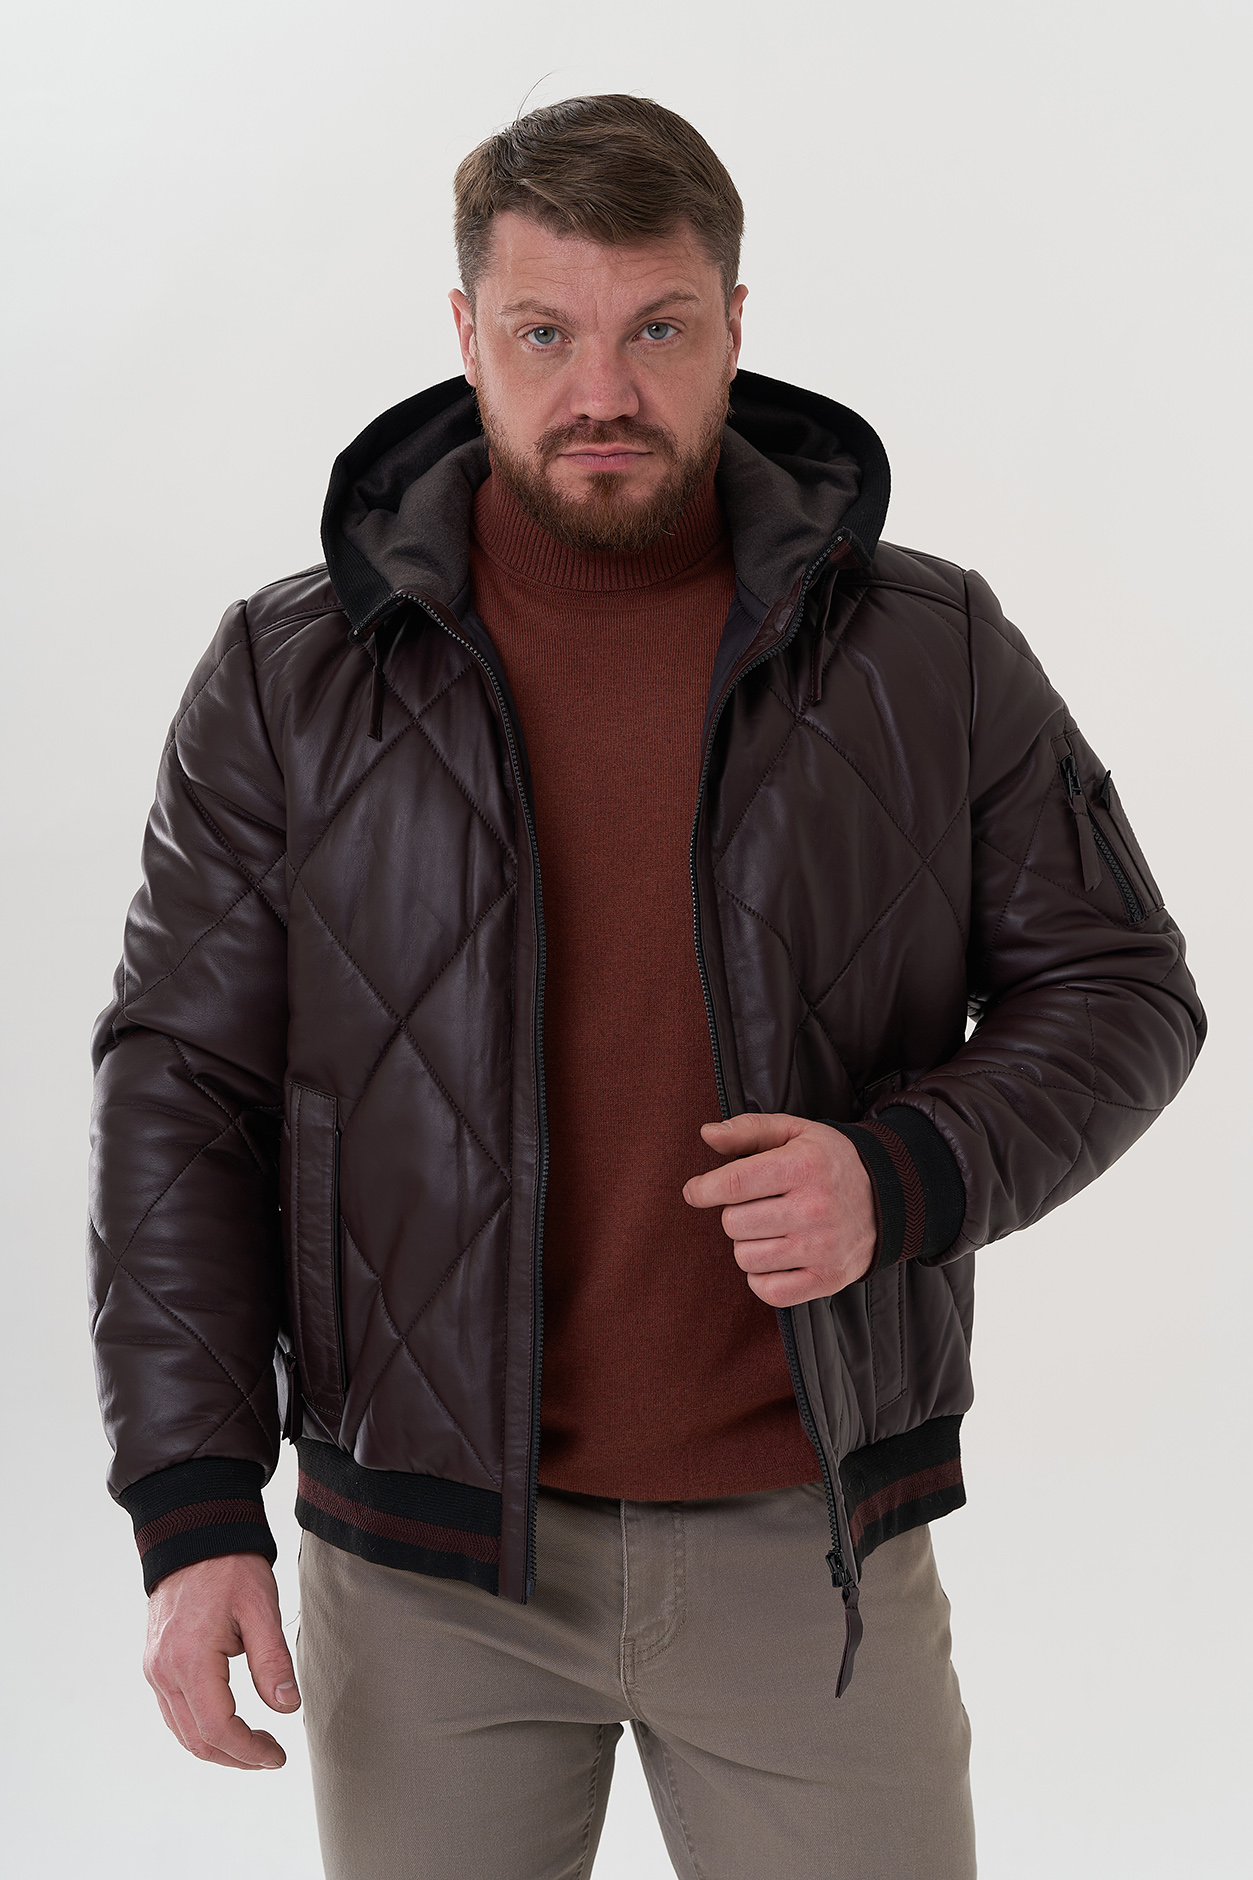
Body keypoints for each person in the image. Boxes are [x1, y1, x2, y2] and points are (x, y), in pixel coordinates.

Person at [88, 94, 1205, 1880]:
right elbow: (180, 1095)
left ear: (734, 326)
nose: (600, 389)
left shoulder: (929, 650)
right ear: (466, 333)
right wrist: (191, 1505)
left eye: (657, 329)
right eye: (545, 333)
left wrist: (899, 1174)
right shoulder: (289, 677)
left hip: (806, 1550)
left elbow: (1123, 987)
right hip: (426, 1572)